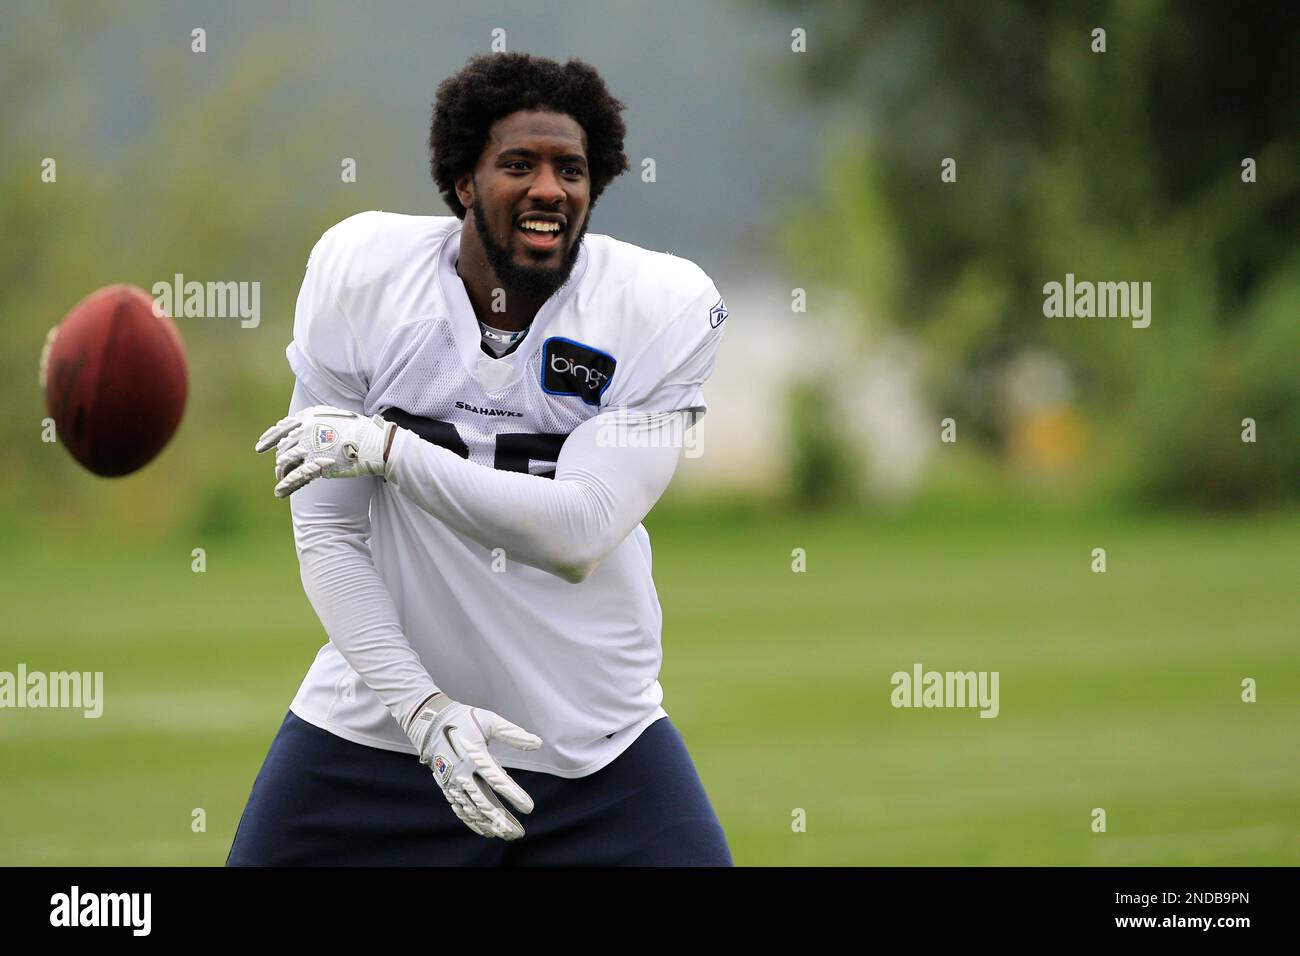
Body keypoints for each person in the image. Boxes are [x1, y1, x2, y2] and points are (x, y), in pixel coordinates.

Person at [227, 52, 732, 866]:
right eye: (518, 165)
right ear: (463, 181)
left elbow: (579, 532)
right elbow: (330, 538)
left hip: (592, 742)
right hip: (380, 733)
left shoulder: (655, 308)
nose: (548, 189)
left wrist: (389, 449)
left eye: (571, 169)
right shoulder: (364, 280)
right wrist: (423, 713)